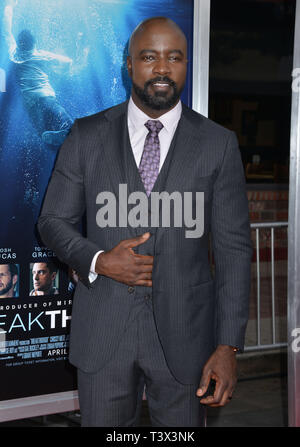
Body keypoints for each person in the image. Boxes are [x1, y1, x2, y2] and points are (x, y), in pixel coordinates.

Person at [38, 17, 252, 427]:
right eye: (149, 57)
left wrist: (228, 346)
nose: (162, 68)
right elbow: (52, 221)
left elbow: (234, 252)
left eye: (174, 57)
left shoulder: (217, 144)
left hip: (188, 339)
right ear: (129, 64)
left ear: (186, 65)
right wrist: (99, 260)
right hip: (104, 332)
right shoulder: (86, 136)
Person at [3, 0, 73, 146]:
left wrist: (9, 7)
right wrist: (64, 73)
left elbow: (6, 30)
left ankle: (49, 140)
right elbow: (68, 61)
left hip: (29, 101)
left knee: (41, 131)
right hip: (45, 94)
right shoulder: (40, 54)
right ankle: (68, 127)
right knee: (60, 114)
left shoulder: (13, 54)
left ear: (18, 43)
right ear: (34, 44)